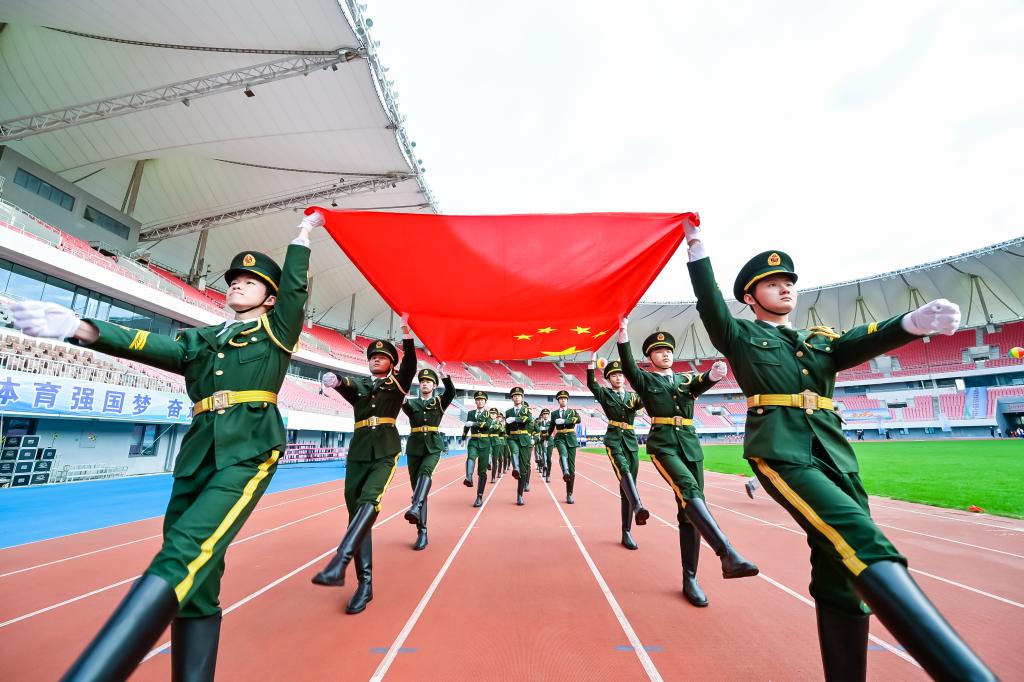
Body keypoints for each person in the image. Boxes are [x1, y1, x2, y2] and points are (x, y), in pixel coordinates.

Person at [11, 212, 320, 680]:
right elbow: (153, 345)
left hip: (248, 447)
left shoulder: (276, 330)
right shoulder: (202, 339)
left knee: (185, 548)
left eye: (250, 282)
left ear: (271, 298)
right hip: (197, 452)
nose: (237, 284)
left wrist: (302, 238)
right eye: (234, 280)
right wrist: (84, 328)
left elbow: (296, 293)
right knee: (198, 575)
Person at [684, 216, 994, 680]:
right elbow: (710, 305)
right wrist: (697, 251)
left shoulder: (819, 339)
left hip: (835, 453)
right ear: (750, 298)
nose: (785, 288)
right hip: (782, 449)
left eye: (789, 282)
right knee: (857, 534)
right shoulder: (740, 335)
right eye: (772, 283)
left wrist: (908, 324)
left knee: (837, 572)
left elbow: (857, 341)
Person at [617, 322, 758, 607]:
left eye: (668, 350)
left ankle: (690, 578)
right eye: (658, 351)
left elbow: (699, 383)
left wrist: (713, 375)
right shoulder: (645, 380)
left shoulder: (684, 379)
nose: (665, 354)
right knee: (688, 489)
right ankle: (726, 553)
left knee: (690, 512)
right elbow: (629, 368)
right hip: (664, 445)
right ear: (649, 357)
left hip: (691, 446)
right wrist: (624, 337)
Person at [313, 318, 416, 616]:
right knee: (357, 516)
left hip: (385, 452)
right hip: (358, 454)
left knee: (369, 501)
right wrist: (335, 380)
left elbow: (410, 365)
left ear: (392, 363)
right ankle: (365, 584)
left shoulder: (397, 383)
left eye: (382, 357)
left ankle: (340, 561)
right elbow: (347, 385)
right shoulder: (361, 386)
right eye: (373, 357)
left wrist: (406, 333)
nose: (376, 360)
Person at [587, 354, 649, 550]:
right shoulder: (605, 394)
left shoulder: (633, 396)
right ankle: (638, 506)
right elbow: (591, 384)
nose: (618, 378)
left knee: (627, 488)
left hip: (630, 440)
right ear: (608, 378)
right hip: (614, 439)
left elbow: (645, 399)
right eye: (614, 375)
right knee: (623, 469)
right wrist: (591, 363)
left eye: (621, 374)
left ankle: (626, 531)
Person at [401, 365, 455, 550]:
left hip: (433, 446)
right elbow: (399, 398)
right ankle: (421, 530)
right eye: (422, 381)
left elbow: (451, 392)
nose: (425, 384)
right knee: (417, 489)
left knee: (426, 472)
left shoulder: (439, 401)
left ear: (434, 386)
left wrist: (445, 377)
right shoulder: (411, 403)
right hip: (414, 447)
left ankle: (417, 512)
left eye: (429, 382)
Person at [462, 391, 494, 505]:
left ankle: (479, 496)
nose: (480, 401)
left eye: (482, 400)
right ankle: (469, 478)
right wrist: (463, 437)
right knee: (471, 456)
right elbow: (466, 426)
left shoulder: (488, 414)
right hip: (473, 440)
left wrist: (473, 424)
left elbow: (487, 425)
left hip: (484, 443)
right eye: (478, 400)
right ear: (475, 402)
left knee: (482, 471)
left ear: (485, 402)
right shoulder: (470, 413)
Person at [548, 390, 580, 503]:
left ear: (567, 400)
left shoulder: (573, 412)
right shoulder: (554, 413)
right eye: (561, 399)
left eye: (565, 399)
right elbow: (551, 427)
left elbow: (578, 419)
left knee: (572, 469)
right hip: (560, 437)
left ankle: (569, 493)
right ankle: (565, 471)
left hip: (571, 438)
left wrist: (565, 421)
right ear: (558, 401)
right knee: (563, 453)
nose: (563, 400)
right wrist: (546, 437)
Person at [505, 386, 534, 505]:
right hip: (512, 438)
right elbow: (507, 428)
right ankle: (515, 468)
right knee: (514, 451)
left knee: (524, 468)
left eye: (519, 396)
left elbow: (528, 419)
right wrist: (507, 436)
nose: (517, 397)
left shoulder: (527, 410)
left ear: (522, 398)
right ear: (512, 398)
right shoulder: (508, 412)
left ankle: (520, 494)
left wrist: (514, 419)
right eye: (515, 396)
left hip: (524, 439)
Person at [535, 408, 553, 481]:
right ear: (542, 415)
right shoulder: (539, 423)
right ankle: (544, 468)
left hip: (550, 441)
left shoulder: (551, 423)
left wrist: (545, 429)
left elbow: (553, 431)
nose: (545, 415)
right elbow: (536, 431)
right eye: (544, 414)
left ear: (548, 415)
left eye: (546, 414)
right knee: (544, 454)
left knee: (549, 459)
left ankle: (548, 474)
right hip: (543, 441)